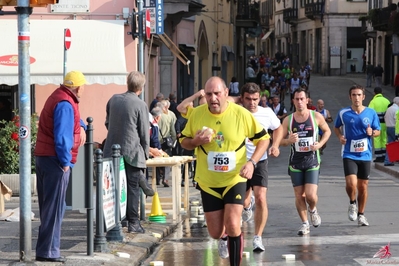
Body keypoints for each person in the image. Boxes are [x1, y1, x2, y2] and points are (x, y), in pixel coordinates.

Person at [180, 77, 270, 265]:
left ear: (226, 93)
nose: (213, 98)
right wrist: (196, 142)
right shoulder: (197, 114)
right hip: (208, 181)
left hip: (234, 179)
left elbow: (264, 139)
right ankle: (223, 237)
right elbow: (184, 141)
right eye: (209, 94)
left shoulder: (240, 114)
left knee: (233, 223)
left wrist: (252, 163)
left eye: (217, 93)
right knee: (214, 231)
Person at [34, 71, 87, 262]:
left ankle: (46, 250)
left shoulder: (60, 97)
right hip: (55, 160)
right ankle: (48, 251)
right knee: (55, 208)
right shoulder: (65, 103)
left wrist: (82, 125)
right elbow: (63, 137)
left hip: (45, 156)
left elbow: (71, 121)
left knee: (50, 207)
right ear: (78, 87)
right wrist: (65, 163)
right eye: (83, 86)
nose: (84, 90)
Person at [280, 87, 331, 236]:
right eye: (297, 99)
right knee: (299, 195)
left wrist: (320, 144)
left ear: (307, 100)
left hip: (312, 160)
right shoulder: (288, 120)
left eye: (302, 99)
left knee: (310, 195)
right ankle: (304, 223)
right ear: (293, 101)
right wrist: (288, 141)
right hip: (295, 161)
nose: (300, 102)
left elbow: (327, 131)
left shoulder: (315, 116)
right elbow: (278, 141)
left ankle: (313, 210)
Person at [103, 71, 149, 233]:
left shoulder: (113, 99)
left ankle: (116, 221)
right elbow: (144, 132)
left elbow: (107, 123)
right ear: (141, 88)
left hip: (112, 149)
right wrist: (146, 153)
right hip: (132, 152)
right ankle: (133, 223)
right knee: (132, 188)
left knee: (113, 187)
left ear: (127, 83)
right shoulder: (140, 105)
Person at [239, 83, 283, 252]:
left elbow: (278, 128)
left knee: (262, 197)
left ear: (260, 98)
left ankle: (257, 237)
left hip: (260, 161)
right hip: (239, 161)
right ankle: (246, 205)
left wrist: (276, 145)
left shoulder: (267, 113)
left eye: (255, 99)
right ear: (242, 98)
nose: (252, 103)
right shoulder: (236, 111)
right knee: (243, 200)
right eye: (248, 99)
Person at [334, 84, 380, 227]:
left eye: (359, 95)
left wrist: (372, 133)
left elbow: (378, 131)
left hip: (365, 154)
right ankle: (352, 202)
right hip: (349, 153)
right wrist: (340, 137)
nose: (356, 98)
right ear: (350, 97)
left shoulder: (371, 113)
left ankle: (361, 214)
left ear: (363, 97)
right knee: (351, 183)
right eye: (354, 95)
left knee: (363, 186)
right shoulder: (344, 113)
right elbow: (336, 127)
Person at [368, 87, 390, 163]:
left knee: (377, 139)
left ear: (374, 93)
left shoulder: (373, 101)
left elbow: (369, 113)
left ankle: (378, 156)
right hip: (385, 123)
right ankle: (384, 155)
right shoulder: (386, 101)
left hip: (376, 124)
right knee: (384, 139)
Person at [383, 97, 399, 166]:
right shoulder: (397, 109)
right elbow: (397, 120)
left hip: (388, 127)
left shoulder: (389, 109)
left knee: (390, 145)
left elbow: (385, 117)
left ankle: (387, 161)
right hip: (394, 128)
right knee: (396, 144)